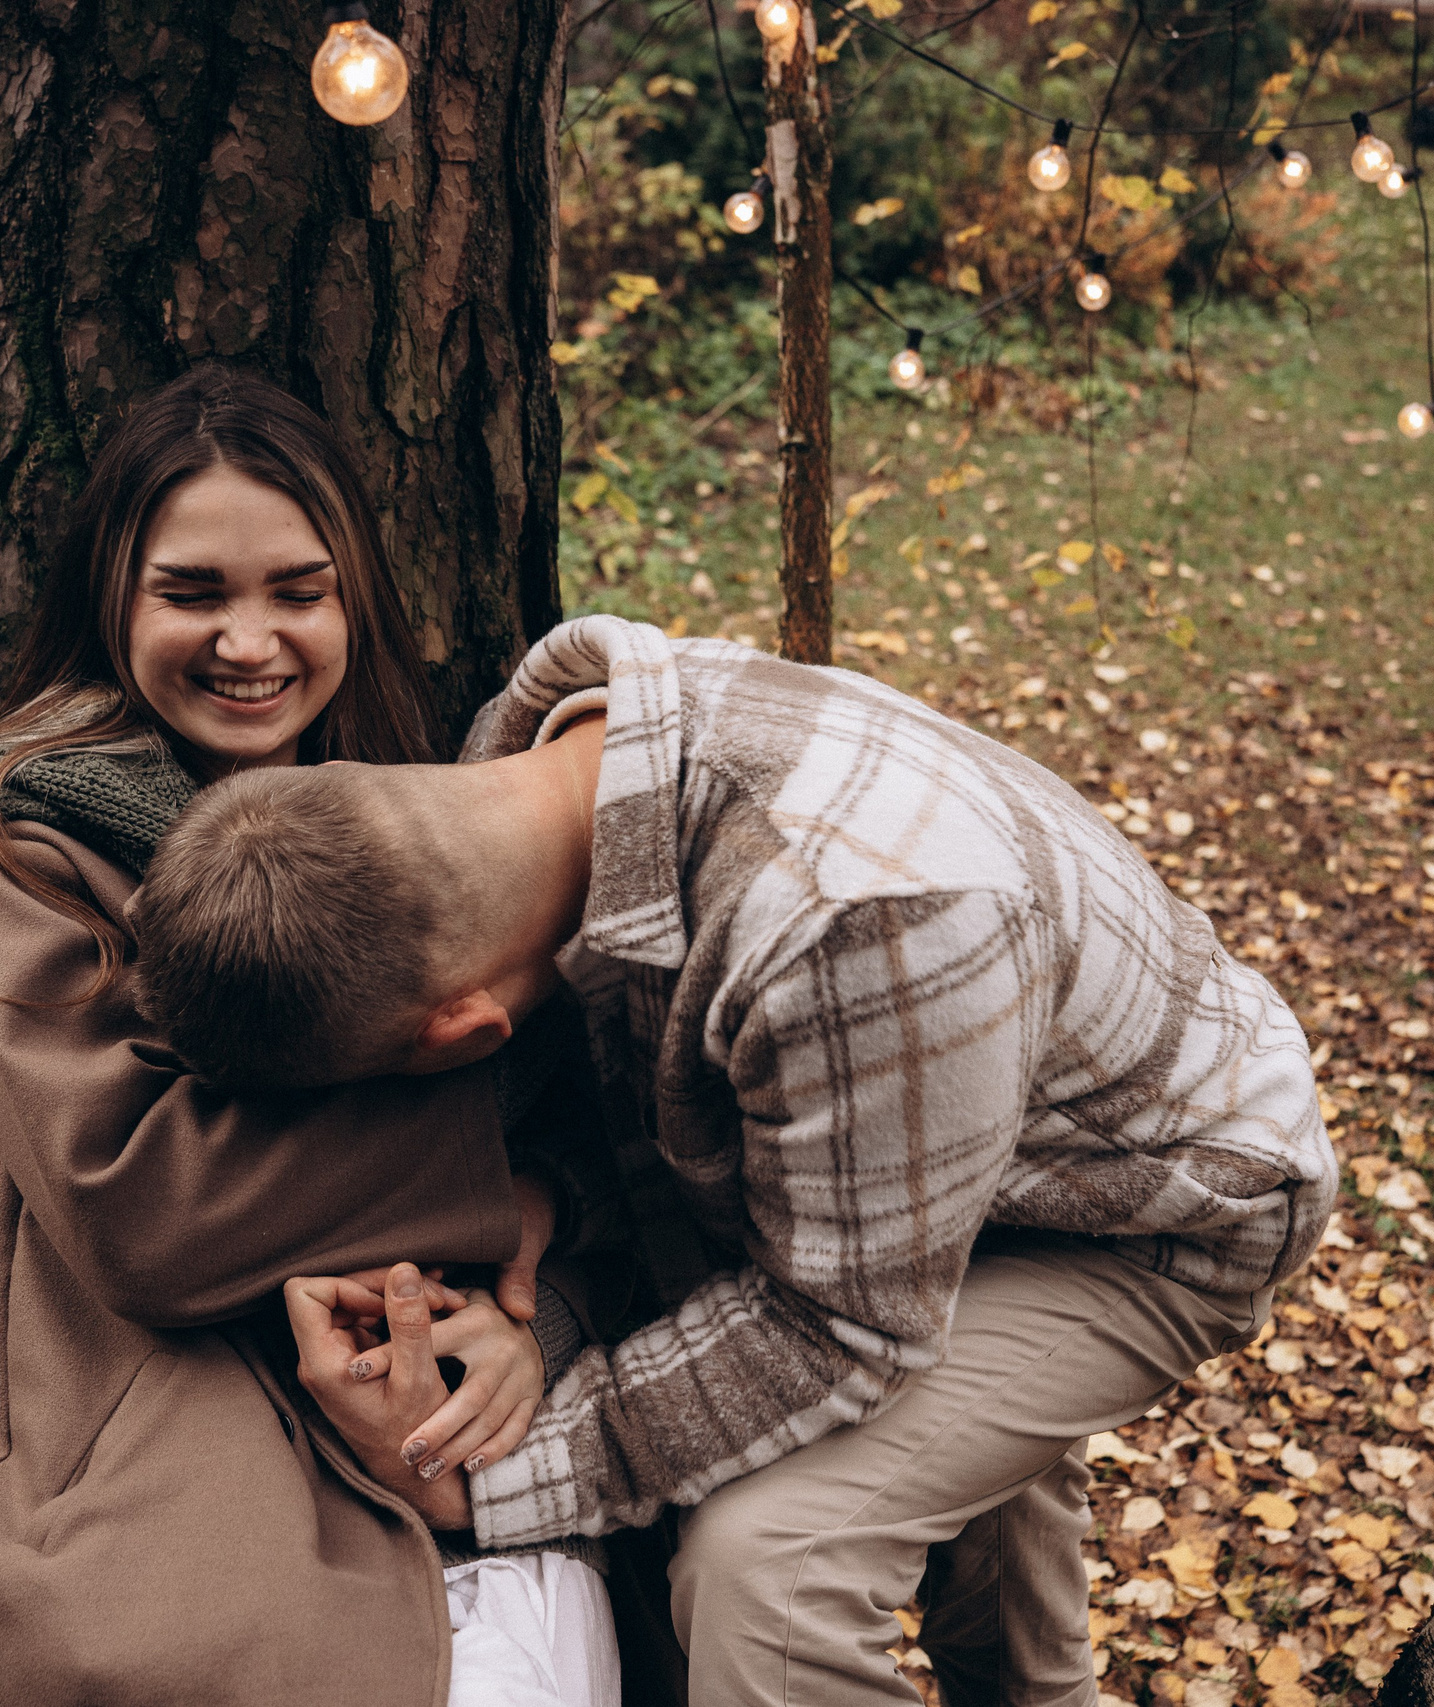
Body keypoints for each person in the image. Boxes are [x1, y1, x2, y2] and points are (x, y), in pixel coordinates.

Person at [128, 612, 1338, 1706]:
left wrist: (491, 1482)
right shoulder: (539, 765)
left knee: (770, 1577)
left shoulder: (854, 920)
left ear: (463, 1033)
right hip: (934, 1161)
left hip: (1148, 1209)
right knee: (970, 1515)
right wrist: (556, 1195)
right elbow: (697, 1075)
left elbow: (837, 1329)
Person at [0, 367, 621, 1707]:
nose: (249, 641)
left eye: (298, 591)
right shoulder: (26, 842)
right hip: (163, 1402)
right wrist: (484, 1133)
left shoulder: (440, 804)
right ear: (114, 594)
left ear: (353, 598)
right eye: (192, 592)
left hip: (435, 1384)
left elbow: (596, 1125)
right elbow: (145, 1204)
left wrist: (537, 1292)